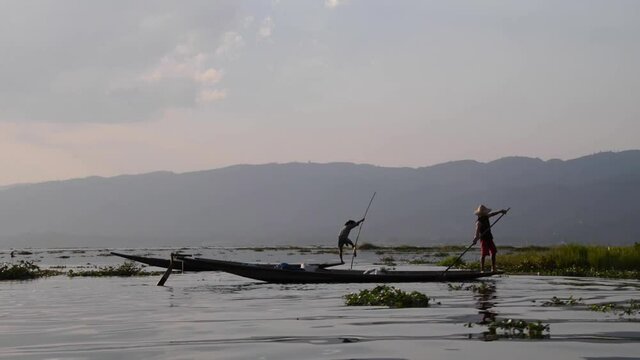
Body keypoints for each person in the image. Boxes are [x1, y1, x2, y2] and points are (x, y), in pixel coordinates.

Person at [472, 205, 507, 272]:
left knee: (493, 251)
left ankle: (493, 268)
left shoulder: (486, 217)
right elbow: (477, 232)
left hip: (489, 237)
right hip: (484, 239)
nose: (486, 214)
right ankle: (482, 269)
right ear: (480, 214)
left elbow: (493, 214)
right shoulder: (478, 222)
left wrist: (501, 211)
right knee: (484, 254)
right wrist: (475, 239)